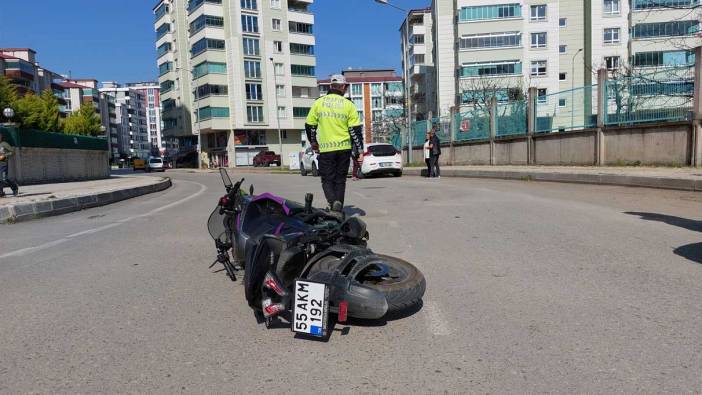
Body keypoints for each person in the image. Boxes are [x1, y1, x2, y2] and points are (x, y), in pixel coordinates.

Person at [305, 74, 364, 212]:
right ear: (343, 87)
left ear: (331, 86)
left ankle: (333, 203)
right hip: (344, 148)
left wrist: (313, 142)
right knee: (340, 180)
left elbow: (310, 125)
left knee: (327, 179)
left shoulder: (319, 103)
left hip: (326, 149)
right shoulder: (349, 105)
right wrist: (360, 152)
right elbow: (355, 131)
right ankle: (338, 208)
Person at [0, 133, 19, 197]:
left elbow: (12, 152)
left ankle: (14, 187)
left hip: (3, 164)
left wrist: (4, 156)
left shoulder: (4, 144)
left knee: (4, 178)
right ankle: (1, 192)